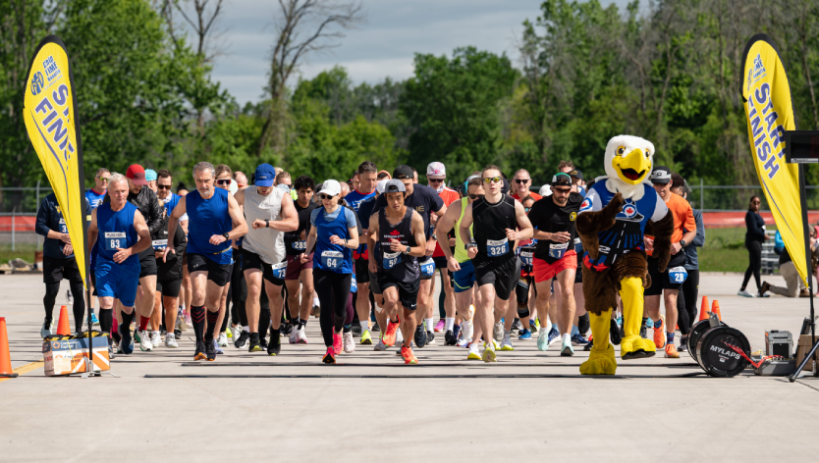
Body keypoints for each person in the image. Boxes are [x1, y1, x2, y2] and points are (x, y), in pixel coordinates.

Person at [164, 162, 248, 361]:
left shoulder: (225, 197)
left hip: (221, 255)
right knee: (198, 294)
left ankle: (210, 337)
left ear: (213, 180)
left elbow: (243, 227)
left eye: (207, 181)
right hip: (197, 251)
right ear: (195, 180)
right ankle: (199, 343)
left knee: (213, 302)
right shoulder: (188, 199)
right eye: (199, 181)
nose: (203, 185)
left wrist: (225, 236)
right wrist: (170, 243)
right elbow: (173, 217)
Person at [459, 165, 533, 362]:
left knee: (502, 304)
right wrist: (468, 244)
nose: (492, 183)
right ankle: (489, 343)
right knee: (486, 298)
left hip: (506, 261)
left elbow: (529, 230)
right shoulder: (473, 207)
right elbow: (463, 228)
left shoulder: (513, 205)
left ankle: (497, 322)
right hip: (483, 259)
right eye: (487, 180)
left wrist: (517, 234)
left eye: (495, 179)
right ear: (482, 184)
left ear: (502, 183)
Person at [371, 165, 446, 348]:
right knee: (396, 301)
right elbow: (374, 227)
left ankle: (419, 325)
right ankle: (406, 340)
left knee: (422, 300)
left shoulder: (426, 193)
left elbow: (444, 214)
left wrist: (433, 238)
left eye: (409, 183)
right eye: (401, 184)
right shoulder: (385, 198)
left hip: (420, 252)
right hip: (396, 257)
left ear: (415, 180)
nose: (406, 188)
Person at [235, 163, 299, 355]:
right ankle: (254, 336)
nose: (263, 187)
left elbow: (293, 223)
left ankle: (276, 332)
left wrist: (268, 224)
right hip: (251, 248)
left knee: (274, 296)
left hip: (275, 253)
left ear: (273, 180)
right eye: (259, 183)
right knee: (253, 288)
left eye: (267, 183)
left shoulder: (282, 197)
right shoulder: (245, 193)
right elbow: (229, 208)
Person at [88, 173, 151, 356]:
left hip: (129, 265)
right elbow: (92, 231)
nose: (121, 195)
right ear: (109, 191)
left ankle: (125, 334)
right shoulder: (98, 212)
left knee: (127, 307)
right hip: (105, 263)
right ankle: (106, 340)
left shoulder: (134, 213)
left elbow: (146, 239)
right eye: (116, 192)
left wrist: (129, 251)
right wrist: (86, 253)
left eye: (124, 191)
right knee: (106, 301)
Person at [367, 180, 427, 364]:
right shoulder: (377, 217)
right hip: (387, 268)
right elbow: (370, 234)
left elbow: (422, 249)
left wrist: (404, 248)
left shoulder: (414, 218)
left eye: (398, 198)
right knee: (391, 300)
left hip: (409, 271)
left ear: (404, 196)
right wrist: (371, 258)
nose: (395, 202)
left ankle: (407, 347)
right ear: (385, 197)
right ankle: (393, 321)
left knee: (409, 316)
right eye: (391, 198)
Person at [302, 180, 360, 364]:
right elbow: (312, 234)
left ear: (338, 196)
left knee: (340, 311)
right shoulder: (316, 213)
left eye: (329, 196)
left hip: (342, 268)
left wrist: (342, 242)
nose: (325, 200)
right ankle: (329, 349)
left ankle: (338, 333)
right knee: (326, 307)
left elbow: (356, 242)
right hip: (321, 266)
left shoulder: (347, 214)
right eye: (323, 196)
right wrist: (306, 251)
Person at [108, 164, 163, 352]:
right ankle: (124, 335)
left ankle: (142, 329)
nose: (139, 186)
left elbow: (158, 218)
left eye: (142, 182)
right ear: (127, 178)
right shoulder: (119, 193)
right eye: (135, 183)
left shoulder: (148, 194)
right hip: (123, 249)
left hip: (144, 247)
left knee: (150, 291)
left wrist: (145, 231)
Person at [528, 173, 584, 356]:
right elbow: (529, 231)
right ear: (552, 188)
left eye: (567, 190)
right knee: (543, 297)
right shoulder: (540, 207)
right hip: (543, 256)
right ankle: (544, 328)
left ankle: (566, 338)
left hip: (566, 254)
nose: (563, 194)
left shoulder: (577, 201)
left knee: (568, 291)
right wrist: (551, 236)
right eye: (559, 190)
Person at [644, 166, 696, 359]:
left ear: (670, 183)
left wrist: (680, 243)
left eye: (664, 184)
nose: (660, 188)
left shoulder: (681, 204)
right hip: (651, 259)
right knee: (651, 308)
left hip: (674, 258)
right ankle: (658, 323)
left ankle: (671, 343)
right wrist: (642, 239)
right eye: (656, 184)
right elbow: (633, 226)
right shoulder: (644, 203)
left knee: (671, 299)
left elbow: (691, 230)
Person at [36, 193, 91, 337]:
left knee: (78, 292)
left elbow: (88, 227)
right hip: (53, 255)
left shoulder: (82, 201)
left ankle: (78, 330)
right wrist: (61, 236)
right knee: (52, 292)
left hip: (75, 256)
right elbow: (40, 226)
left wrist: (73, 241)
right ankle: (48, 319)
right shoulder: (49, 201)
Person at [670, 175, 704, 351]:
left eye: (678, 197)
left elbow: (699, 239)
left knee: (691, 307)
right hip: (674, 264)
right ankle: (685, 336)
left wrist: (680, 236)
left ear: (684, 197)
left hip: (691, 264)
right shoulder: (667, 214)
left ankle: (689, 332)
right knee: (679, 304)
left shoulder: (695, 215)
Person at [346, 162, 378, 345]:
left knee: (379, 290)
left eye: (374, 179)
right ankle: (364, 327)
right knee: (363, 289)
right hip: (359, 252)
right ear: (359, 178)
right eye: (368, 180)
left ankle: (382, 323)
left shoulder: (381, 196)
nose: (372, 184)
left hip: (380, 251)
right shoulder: (349, 199)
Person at [426, 162, 459, 338]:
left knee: (449, 287)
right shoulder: (422, 194)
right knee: (428, 289)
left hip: (446, 248)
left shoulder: (452, 195)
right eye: (433, 180)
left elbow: (454, 221)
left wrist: (439, 220)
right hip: (427, 249)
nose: (437, 183)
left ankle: (450, 328)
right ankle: (429, 329)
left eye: (439, 180)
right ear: (427, 178)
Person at [284, 175, 318, 344]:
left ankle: (302, 327)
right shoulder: (290, 209)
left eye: (309, 192)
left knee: (310, 288)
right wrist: (298, 236)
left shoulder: (316, 210)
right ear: (296, 192)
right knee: (292, 294)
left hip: (309, 254)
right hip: (290, 255)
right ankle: (294, 324)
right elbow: (282, 233)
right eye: (302, 192)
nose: (306, 195)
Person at [154, 193, 187, 348]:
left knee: (171, 303)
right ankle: (155, 333)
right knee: (155, 301)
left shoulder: (172, 224)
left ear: (165, 211)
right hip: (153, 268)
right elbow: (139, 243)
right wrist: (152, 253)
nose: (158, 213)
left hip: (172, 268)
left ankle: (170, 334)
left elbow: (182, 243)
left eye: (160, 210)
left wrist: (169, 252)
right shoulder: (146, 225)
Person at [760, 230, 816, 298]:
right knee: (804, 265)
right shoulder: (797, 240)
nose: (812, 238)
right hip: (786, 265)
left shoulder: (801, 241)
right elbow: (801, 257)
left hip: (789, 267)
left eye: (813, 236)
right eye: (811, 235)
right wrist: (810, 245)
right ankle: (803, 290)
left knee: (792, 294)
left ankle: (768, 287)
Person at [739, 195, 768, 298]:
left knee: (752, 266)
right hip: (753, 242)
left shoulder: (757, 214)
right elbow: (754, 229)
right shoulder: (750, 214)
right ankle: (760, 291)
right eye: (754, 202)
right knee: (757, 266)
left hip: (757, 242)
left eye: (758, 202)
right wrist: (763, 234)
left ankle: (742, 289)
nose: (756, 204)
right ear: (750, 203)